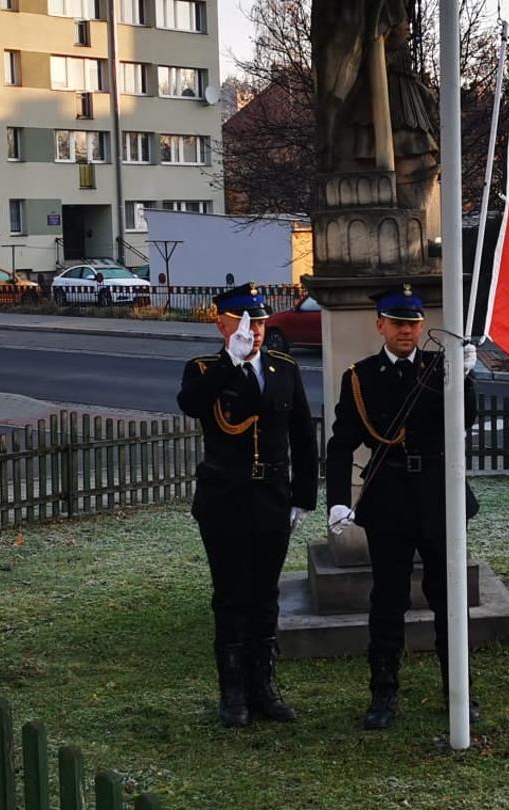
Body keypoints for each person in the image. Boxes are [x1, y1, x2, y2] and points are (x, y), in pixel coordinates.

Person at [324, 284, 480, 730]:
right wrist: (337, 500)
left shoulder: (440, 367)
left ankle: (459, 692)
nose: (407, 331)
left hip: (436, 493)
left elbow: (464, 422)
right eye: (397, 323)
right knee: (388, 601)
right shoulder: (361, 376)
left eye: (412, 323)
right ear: (380, 326)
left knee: (448, 600)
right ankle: (384, 695)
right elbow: (342, 443)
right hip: (390, 493)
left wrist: (466, 379)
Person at [176, 283, 318, 726]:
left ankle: (265, 689)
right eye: (242, 322)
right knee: (231, 595)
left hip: (272, 498)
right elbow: (192, 404)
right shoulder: (203, 369)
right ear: (221, 324)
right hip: (225, 499)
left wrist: (303, 498)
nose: (253, 331)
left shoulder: (283, 368)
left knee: (266, 596)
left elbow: (302, 435)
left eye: (258, 322)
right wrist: (231, 364)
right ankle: (232, 693)